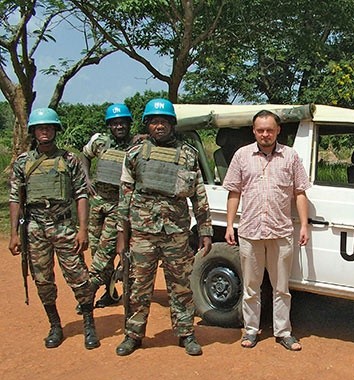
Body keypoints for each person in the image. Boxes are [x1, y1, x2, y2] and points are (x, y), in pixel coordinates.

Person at [115, 98, 213, 356]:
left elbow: (199, 196)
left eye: (164, 121)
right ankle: (133, 335)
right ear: (147, 125)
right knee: (138, 286)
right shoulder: (134, 155)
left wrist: (204, 230)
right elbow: (124, 197)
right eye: (154, 121)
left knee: (181, 285)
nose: (159, 126)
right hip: (142, 233)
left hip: (176, 234)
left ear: (172, 124)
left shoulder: (188, 155)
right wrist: (121, 236)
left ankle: (186, 333)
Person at [8, 108, 100, 350]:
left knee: (79, 277)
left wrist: (83, 230)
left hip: (63, 225)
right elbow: (15, 198)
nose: (45, 131)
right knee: (43, 280)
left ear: (55, 130)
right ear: (34, 132)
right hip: (35, 227)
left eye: (49, 127)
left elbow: (81, 195)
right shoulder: (23, 162)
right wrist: (14, 234)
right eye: (40, 128)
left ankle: (89, 324)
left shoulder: (70, 160)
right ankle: (55, 325)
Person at [223, 110, 311, 351]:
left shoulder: (290, 157)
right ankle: (251, 330)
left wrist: (304, 225)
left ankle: (283, 332)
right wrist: (230, 224)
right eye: (260, 130)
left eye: (269, 130)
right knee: (251, 287)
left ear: (278, 131)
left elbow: (300, 192)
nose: (265, 134)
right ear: (254, 131)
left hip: (281, 232)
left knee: (281, 287)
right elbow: (234, 192)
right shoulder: (242, 156)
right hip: (250, 231)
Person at [78, 103, 136, 312]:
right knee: (96, 249)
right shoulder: (99, 142)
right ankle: (110, 293)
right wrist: (86, 177)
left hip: (119, 204)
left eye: (122, 123)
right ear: (109, 126)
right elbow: (84, 155)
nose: (119, 126)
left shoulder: (136, 144)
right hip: (97, 201)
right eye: (115, 123)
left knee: (106, 249)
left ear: (129, 124)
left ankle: (88, 292)